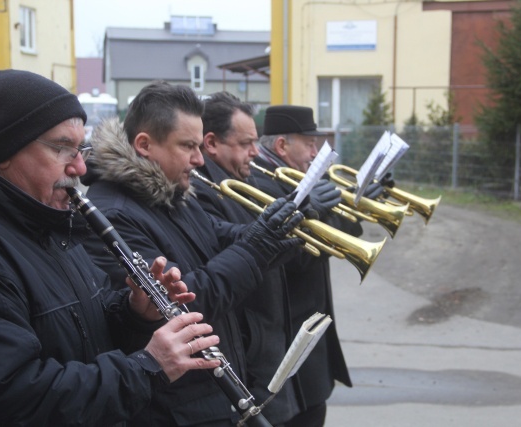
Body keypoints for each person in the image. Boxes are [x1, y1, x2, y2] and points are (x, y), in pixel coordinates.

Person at [0, 69, 221, 427]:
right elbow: (7, 398)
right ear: (4, 151)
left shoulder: (46, 217)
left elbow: (85, 318)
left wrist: (135, 311)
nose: (80, 167)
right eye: (62, 148)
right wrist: (148, 366)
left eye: (81, 148)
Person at [81, 81, 305, 426]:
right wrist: (257, 247)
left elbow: (218, 234)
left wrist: (276, 233)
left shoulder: (170, 189)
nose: (199, 160)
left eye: (199, 146)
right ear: (145, 145)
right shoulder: (112, 214)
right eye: (188, 146)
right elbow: (182, 304)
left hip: (212, 396)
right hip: (177, 409)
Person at [193, 92, 308, 425]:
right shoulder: (203, 188)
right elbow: (227, 259)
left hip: (265, 344)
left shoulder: (239, 180)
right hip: (247, 350)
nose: (256, 153)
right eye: (246, 143)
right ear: (211, 143)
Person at [253, 105, 364, 427]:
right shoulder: (266, 184)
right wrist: (311, 209)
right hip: (290, 334)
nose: (316, 153)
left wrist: (355, 201)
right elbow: (294, 258)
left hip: (313, 336)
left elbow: (347, 235)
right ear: (282, 146)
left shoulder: (305, 178)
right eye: (310, 144)